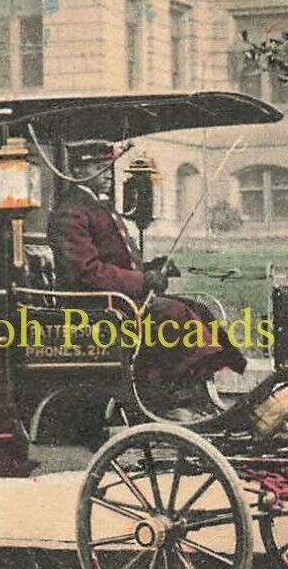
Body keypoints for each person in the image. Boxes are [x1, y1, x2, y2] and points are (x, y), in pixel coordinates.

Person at [49, 144, 246, 413]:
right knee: (173, 314)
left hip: (118, 301)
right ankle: (169, 398)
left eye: (108, 166)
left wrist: (153, 269)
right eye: (98, 167)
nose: (107, 173)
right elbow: (87, 272)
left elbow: (115, 261)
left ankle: (195, 390)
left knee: (196, 308)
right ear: (77, 171)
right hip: (95, 307)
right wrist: (142, 281)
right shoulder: (71, 212)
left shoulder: (96, 206)